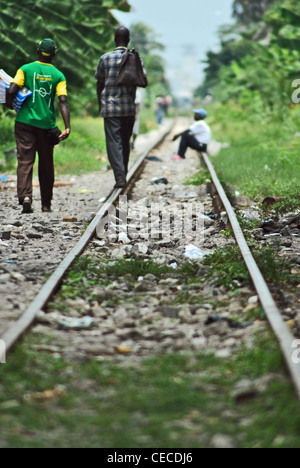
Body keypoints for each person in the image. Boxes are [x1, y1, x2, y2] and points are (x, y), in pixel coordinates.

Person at [6, 39, 70, 214]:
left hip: (25, 123)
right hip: (47, 126)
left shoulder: (25, 69)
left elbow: (11, 90)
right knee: (46, 163)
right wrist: (67, 126)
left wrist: (9, 104)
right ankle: (46, 205)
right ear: (54, 55)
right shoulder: (58, 75)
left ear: (38, 51)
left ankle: (26, 197)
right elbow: (62, 100)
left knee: (25, 161)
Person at [95, 26, 147, 189]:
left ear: (114, 39)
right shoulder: (135, 58)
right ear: (128, 39)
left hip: (110, 108)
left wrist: (100, 103)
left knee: (114, 142)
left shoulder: (105, 58)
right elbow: (142, 79)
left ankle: (120, 177)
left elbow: (99, 83)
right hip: (128, 108)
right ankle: (122, 173)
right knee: (125, 141)